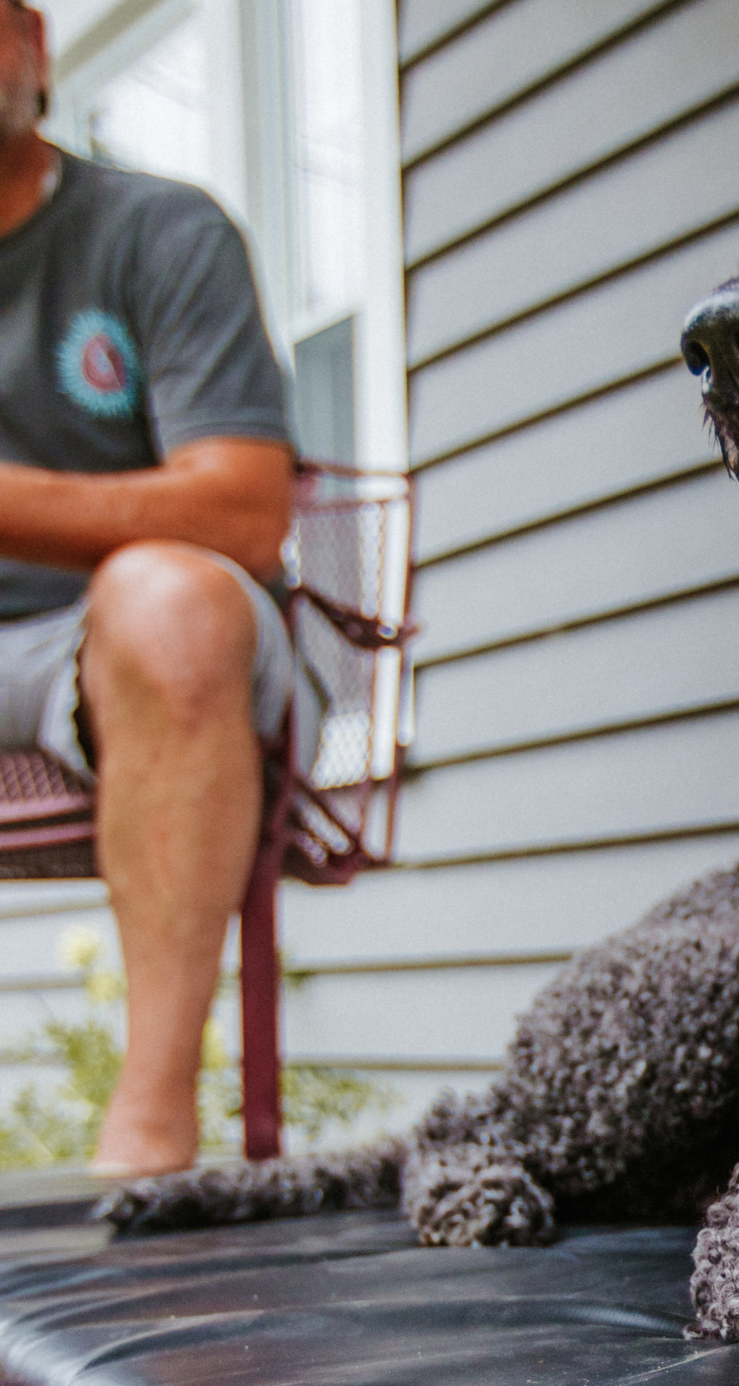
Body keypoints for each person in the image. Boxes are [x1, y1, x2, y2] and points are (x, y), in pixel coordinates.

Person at [0, 0, 318, 1174]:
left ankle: (149, 1132)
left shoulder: (157, 231)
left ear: (29, 45)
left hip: (136, 652)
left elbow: (241, 508)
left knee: (168, 597)